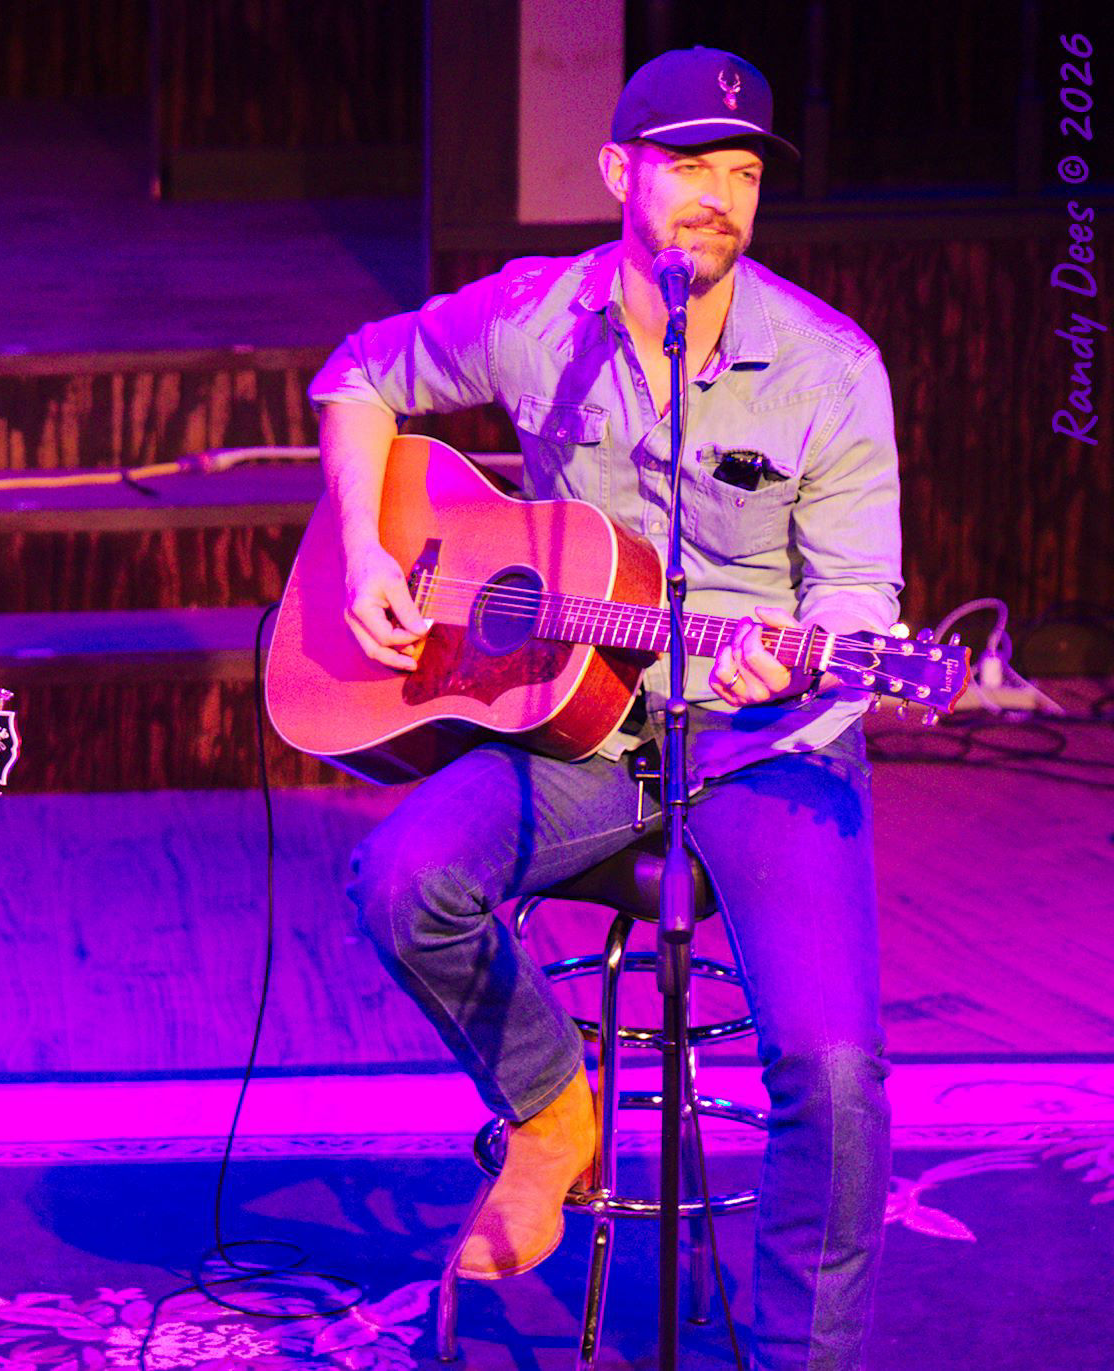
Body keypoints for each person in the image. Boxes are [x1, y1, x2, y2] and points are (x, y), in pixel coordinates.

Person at [309, 48, 899, 1371]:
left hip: (766, 746)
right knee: (402, 877)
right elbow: (356, 375)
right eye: (690, 166)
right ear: (617, 173)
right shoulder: (535, 317)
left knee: (839, 1076)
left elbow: (861, 607)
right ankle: (551, 1103)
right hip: (578, 731)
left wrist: (808, 659)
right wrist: (362, 549)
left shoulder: (830, 367)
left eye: (742, 173)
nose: (719, 197)